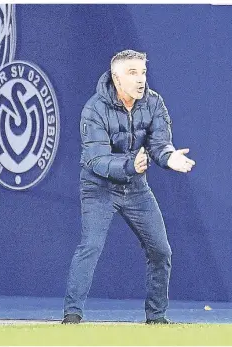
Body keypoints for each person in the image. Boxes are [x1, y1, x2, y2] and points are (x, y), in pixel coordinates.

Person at [62, 50, 195, 325]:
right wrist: (130, 166)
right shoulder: (94, 109)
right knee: (91, 246)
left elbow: (159, 144)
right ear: (116, 77)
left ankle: (157, 318)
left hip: (136, 187)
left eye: (143, 72)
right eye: (132, 73)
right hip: (98, 187)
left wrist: (170, 158)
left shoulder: (154, 102)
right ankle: (72, 316)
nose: (140, 80)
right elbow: (96, 160)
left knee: (161, 250)